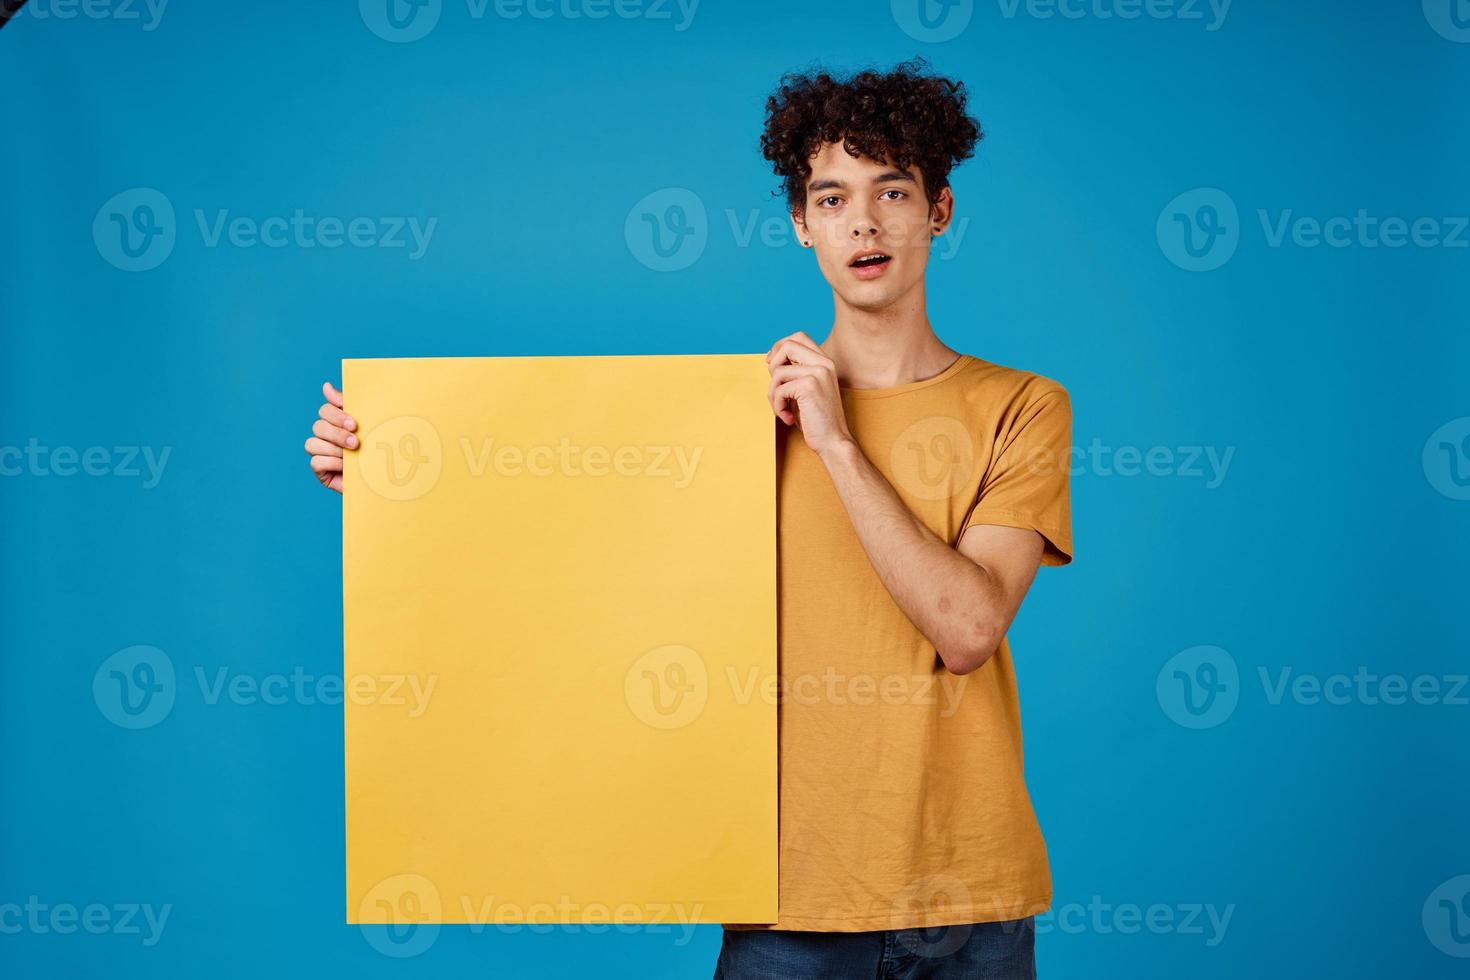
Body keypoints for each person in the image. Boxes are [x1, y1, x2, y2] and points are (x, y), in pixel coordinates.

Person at [304, 59, 1072, 980]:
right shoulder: (730, 417)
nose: (863, 223)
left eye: (893, 191)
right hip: (782, 897)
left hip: (966, 902)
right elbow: (565, 561)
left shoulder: (1022, 405)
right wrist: (394, 481)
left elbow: (969, 626)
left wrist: (834, 442)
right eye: (831, 199)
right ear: (801, 224)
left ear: (938, 210)